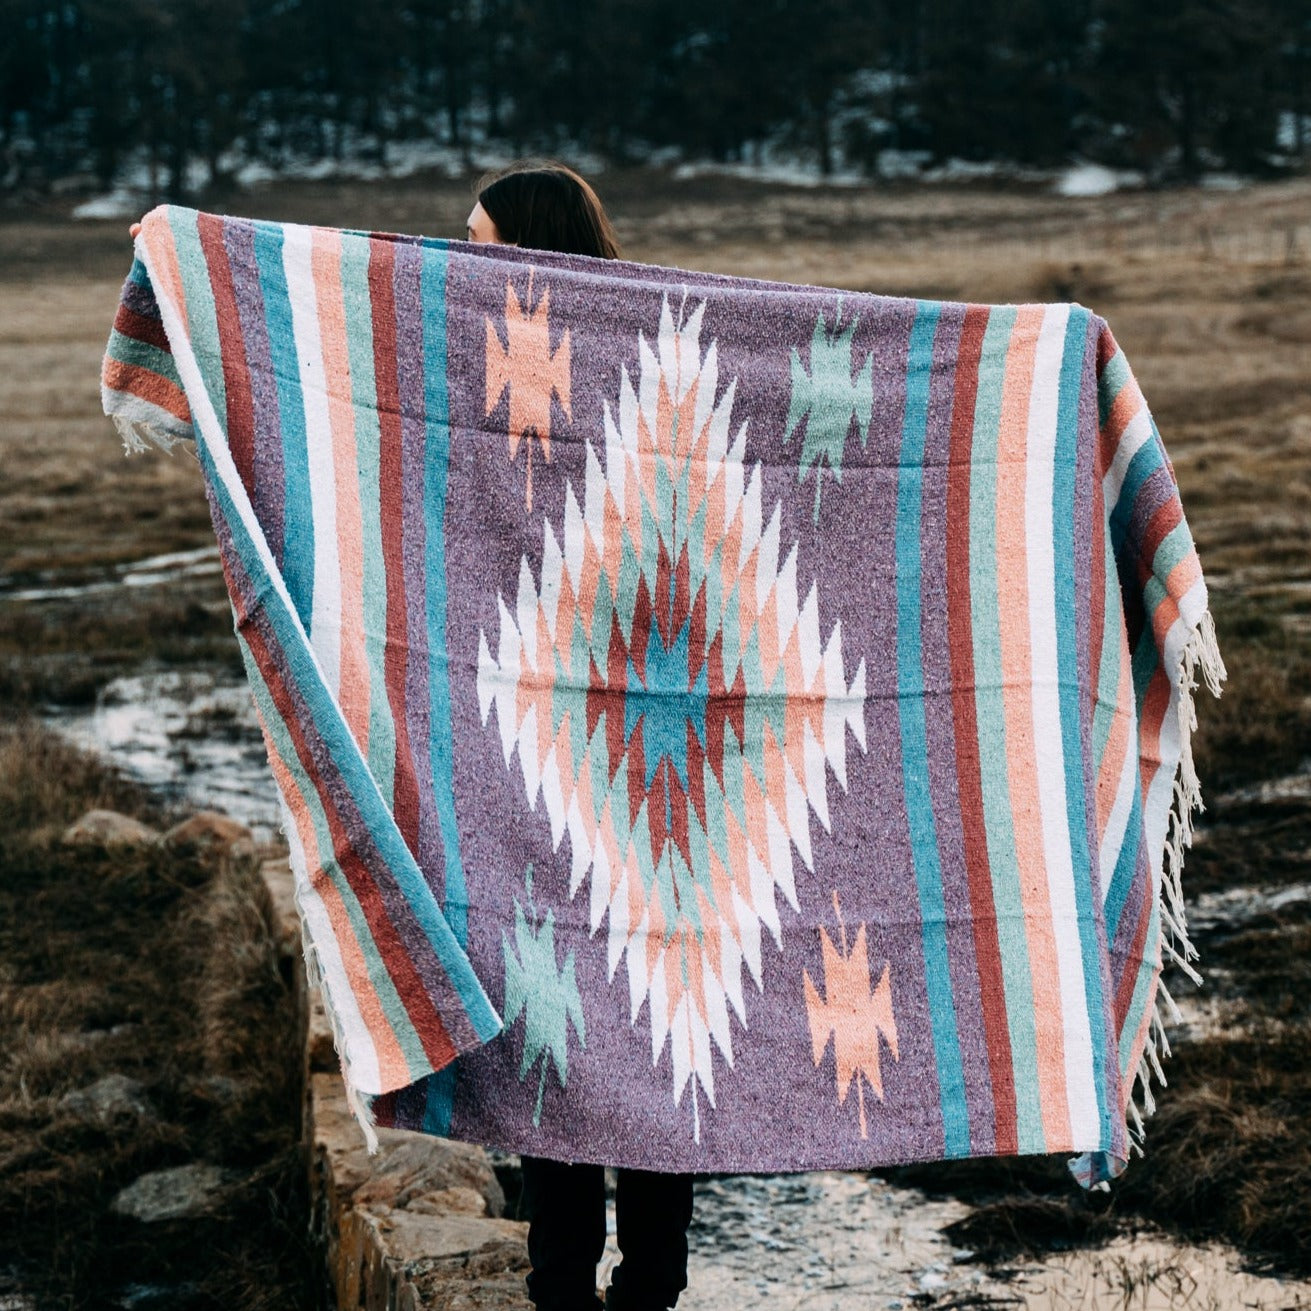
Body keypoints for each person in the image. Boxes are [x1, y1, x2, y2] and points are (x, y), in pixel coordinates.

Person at [464, 160, 695, 1311]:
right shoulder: (486, 361)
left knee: (655, 1039)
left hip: (672, 777)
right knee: (554, 1024)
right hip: (548, 769)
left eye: (483, 241)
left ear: (540, 242)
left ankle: (642, 1287)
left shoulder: (651, 346)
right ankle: (572, 1286)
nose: (464, 262)